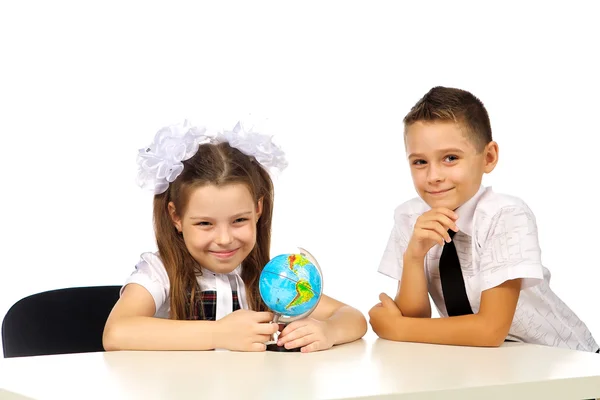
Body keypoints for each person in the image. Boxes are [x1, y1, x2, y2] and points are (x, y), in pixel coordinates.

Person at [103, 121, 367, 353]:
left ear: (258, 210)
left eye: (239, 220)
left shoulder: (271, 277)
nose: (225, 239)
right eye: (205, 223)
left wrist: (327, 331)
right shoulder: (160, 272)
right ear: (176, 217)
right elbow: (116, 332)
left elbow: (352, 317)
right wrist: (220, 333)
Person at [369, 87, 598, 352]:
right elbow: (416, 319)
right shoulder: (410, 218)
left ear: (488, 157)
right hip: (492, 365)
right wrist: (414, 256)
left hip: (568, 365)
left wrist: (397, 328)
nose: (433, 176)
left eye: (450, 158)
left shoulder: (505, 215)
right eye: (420, 162)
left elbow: (490, 330)